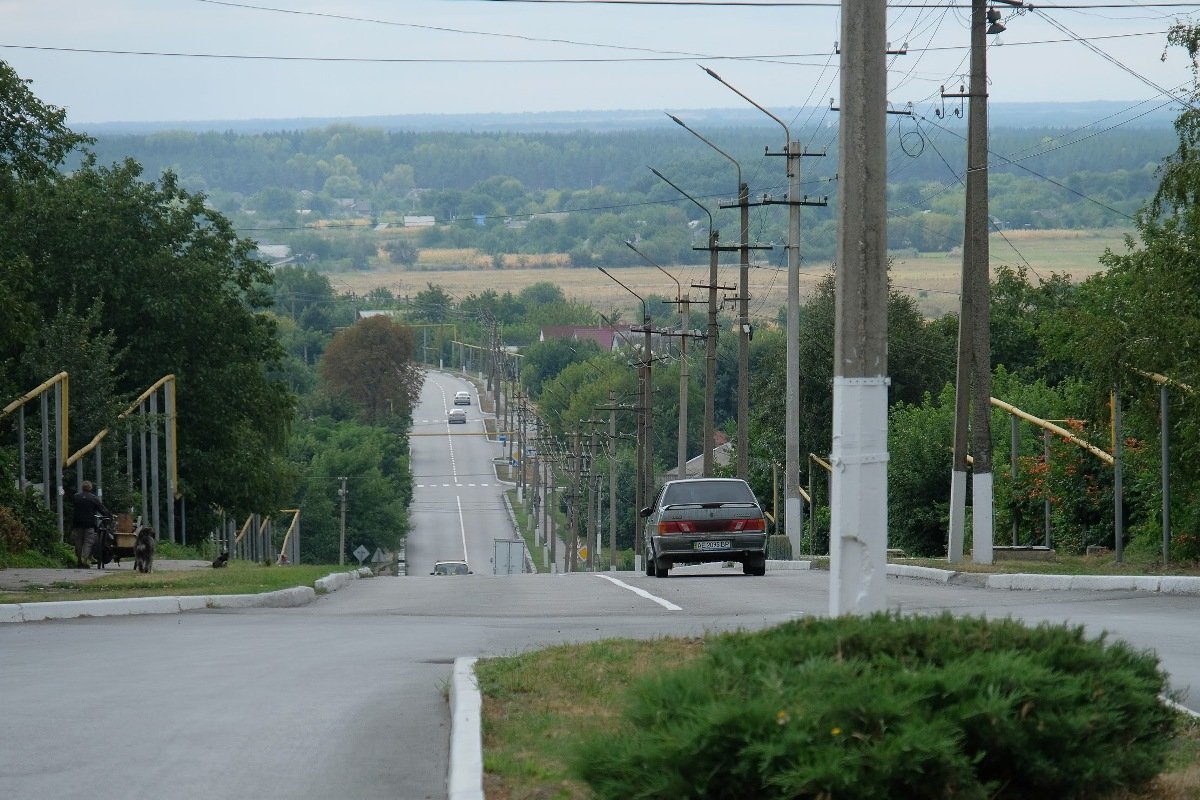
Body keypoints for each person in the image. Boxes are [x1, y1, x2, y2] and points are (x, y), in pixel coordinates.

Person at [71, 481, 111, 569]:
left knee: (78, 542)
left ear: (82, 487)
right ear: (90, 488)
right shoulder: (93, 498)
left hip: (77, 523)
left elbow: (74, 508)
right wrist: (108, 515)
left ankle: (79, 560)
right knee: (88, 542)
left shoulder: (76, 497)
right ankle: (83, 560)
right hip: (89, 524)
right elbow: (102, 509)